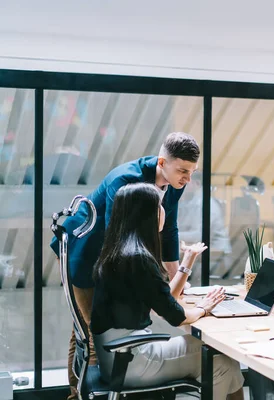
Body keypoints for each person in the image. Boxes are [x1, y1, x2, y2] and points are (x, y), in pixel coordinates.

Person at [50, 132, 200, 400]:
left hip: (110, 258)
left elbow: (169, 229)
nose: (187, 179)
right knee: (92, 336)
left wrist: (174, 274)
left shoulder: (175, 181)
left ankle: (78, 393)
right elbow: (115, 237)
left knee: (83, 332)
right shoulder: (125, 180)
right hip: (84, 255)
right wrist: (152, 280)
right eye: (183, 171)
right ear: (162, 162)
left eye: (191, 172)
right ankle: (85, 395)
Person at [91, 183, 244, 399]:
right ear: (146, 214)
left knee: (224, 357)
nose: (163, 211)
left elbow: (166, 300)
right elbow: (176, 316)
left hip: (117, 356)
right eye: (159, 206)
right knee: (220, 363)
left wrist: (187, 262)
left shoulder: (120, 252)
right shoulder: (139, 258)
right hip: (132, 360)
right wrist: (202, 308)